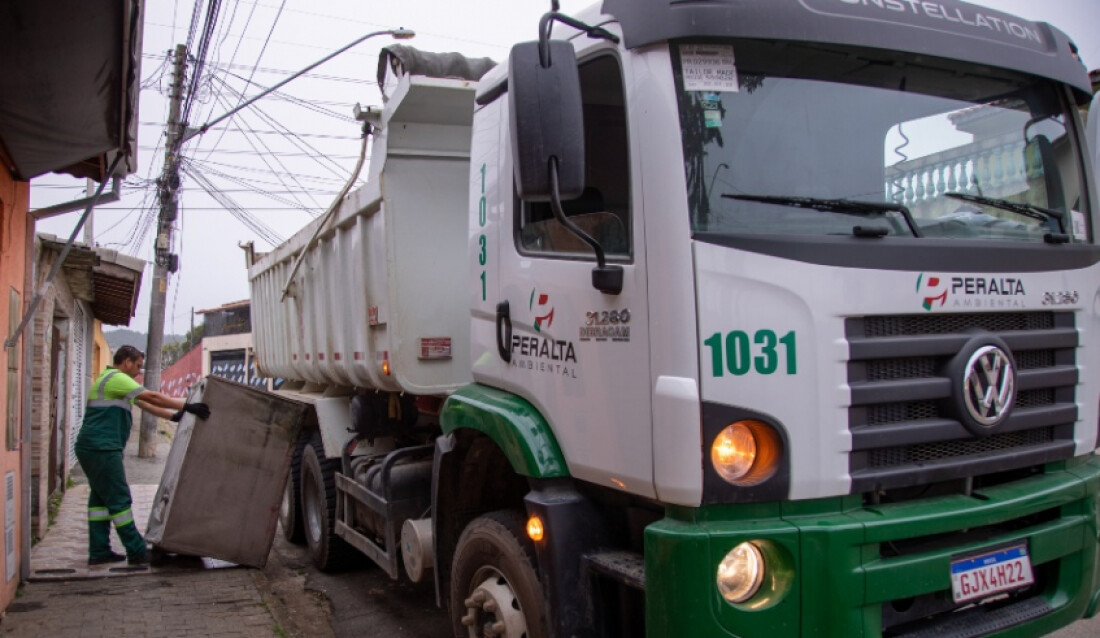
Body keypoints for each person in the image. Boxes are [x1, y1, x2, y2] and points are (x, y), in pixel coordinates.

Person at [75, 345, 211, 566]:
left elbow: (145, 404)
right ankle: (136, 550)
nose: (139, 371)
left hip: (92, 448)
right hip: (102, 448)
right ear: (126, 361)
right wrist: (189, 406)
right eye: (137, 365)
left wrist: (174, 416)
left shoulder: (109, 380)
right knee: (119, 498)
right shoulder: (116, 378)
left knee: (100, 500)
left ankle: (99, 551)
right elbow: (153, 396)